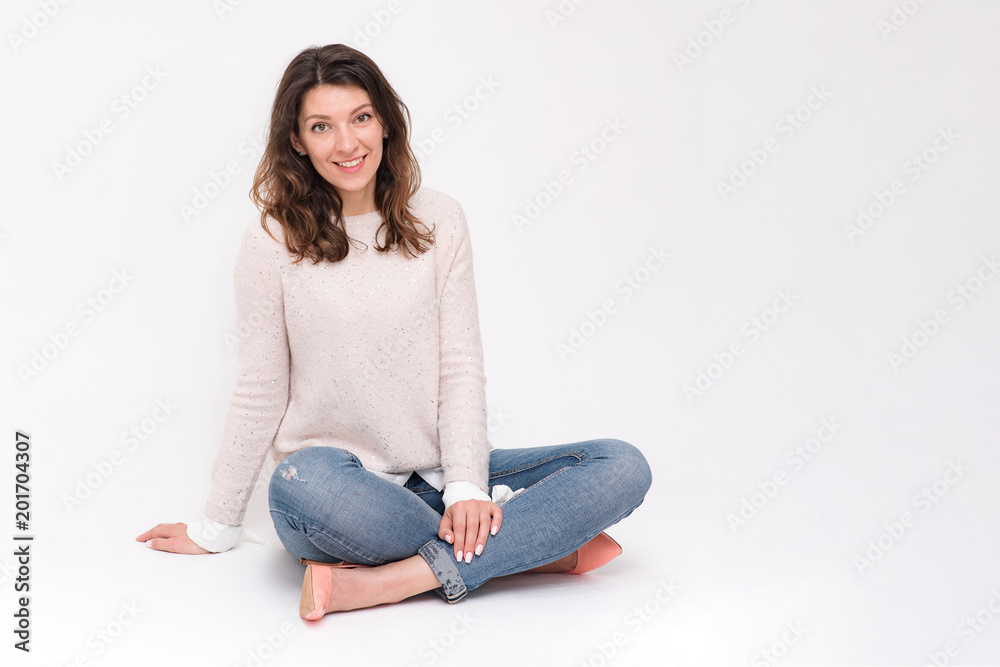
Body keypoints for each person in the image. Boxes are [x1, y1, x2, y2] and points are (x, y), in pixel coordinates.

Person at [136, 43, 652, 620]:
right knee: (295, 481)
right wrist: (218, 524)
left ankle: (392, 580)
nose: (347, 143)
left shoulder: (440, 218)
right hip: (339, 492)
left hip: (436, 476)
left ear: (385, 119)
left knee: (621, 465)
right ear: (298, 142)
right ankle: (527, 548)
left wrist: (465, 488)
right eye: (321, 126)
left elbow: (459, 367)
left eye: (360, 117)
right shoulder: (272, 240)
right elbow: (261, 388)